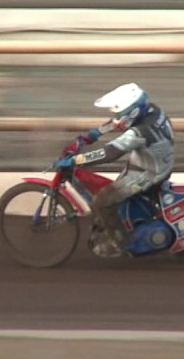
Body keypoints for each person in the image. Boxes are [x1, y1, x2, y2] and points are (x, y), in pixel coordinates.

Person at [54, 82, 175, 256]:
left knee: (102, 200)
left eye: (119, 112)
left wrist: (75, 160)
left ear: (133, 111)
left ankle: (122, 241)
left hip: (150, 173)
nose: (117, 116)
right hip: (150, 163)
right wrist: (89, 137)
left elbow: (110, 153)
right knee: (116, 193)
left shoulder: (140, 132)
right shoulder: (151, 111)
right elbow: (117, 123)